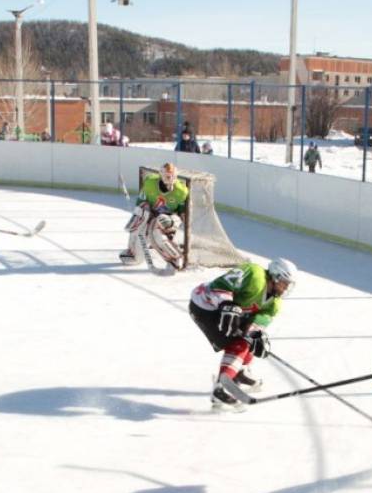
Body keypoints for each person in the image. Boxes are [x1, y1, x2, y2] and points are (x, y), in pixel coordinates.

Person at [188, 258, 297, 411]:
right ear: (275, 276)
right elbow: (219, 285)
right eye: (284, 282)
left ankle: (239, 372)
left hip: (226, 312)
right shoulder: (254, 274)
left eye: (289, 285)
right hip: (205, 306)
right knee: (237, 343)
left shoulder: (275, 304)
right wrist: (226, 304)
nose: (286, 288)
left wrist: (255, 335)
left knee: (249, 340)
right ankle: (220, 388)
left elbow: (254, 325)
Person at [119, 162, 189, 267]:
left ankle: (176, 257)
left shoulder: (181, 191)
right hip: (150, 217)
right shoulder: (150, 183)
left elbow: (182, 214)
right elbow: (140, 204)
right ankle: (132, 249)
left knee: (159, 229)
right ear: (161, 175)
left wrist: (172, 222)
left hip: (167, 219)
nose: (170, 179)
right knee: (137, 259)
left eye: (173, 176)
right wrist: (140, 218)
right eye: (168, 176)